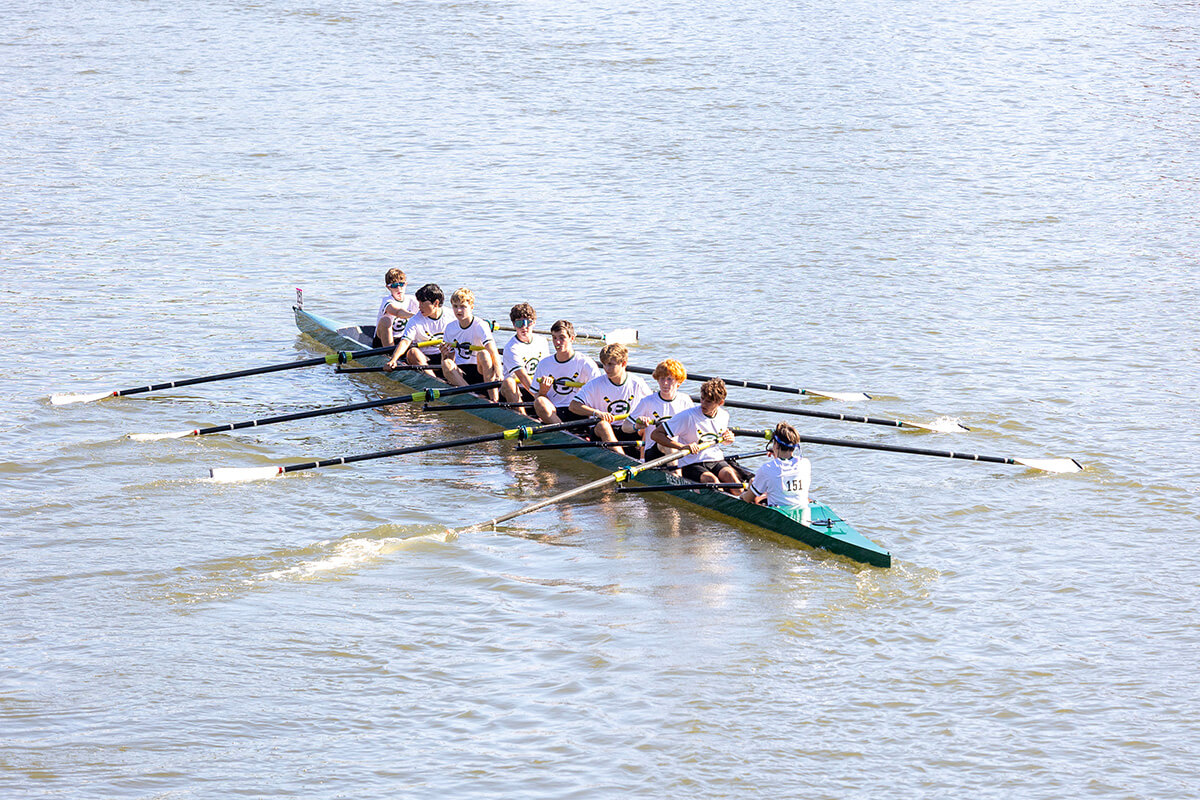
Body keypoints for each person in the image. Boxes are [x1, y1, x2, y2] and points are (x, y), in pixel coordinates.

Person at [651, 377, 739, 491]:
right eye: (702, 399)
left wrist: (728, 439)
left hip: (715, 460)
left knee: (732, 479)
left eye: (708, 401)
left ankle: (743, 504)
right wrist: (682, 447)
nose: (703, 403)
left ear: (720, 402)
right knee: (713, 482)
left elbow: (722, 440)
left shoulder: (724, 415)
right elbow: (656, 434)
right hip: (691, 462)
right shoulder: (687, 416)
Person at [570, 343, 650, 456]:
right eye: (604, 365)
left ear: (624, 364)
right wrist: (596, 413)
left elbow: (652, 407)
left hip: (628, 428)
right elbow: (573, 406)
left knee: (648, 425)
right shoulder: (595, 384)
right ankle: (622, 458)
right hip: (603, 431)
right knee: (603, 425)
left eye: (610, 364)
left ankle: (642, 459)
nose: (606, 369)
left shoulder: (637, 383)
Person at [532, 320, 602, 424]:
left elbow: (598, 394)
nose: (557, 342)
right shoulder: (544, 364)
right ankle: (564, 431)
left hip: (579, 410)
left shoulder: (586, 363)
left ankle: (569, 431)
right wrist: (543, 391)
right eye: (554, 338)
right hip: (554, 411)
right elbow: (537, 396)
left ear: (572, 338)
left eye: (562, 338)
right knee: (539, 401)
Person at [622, 359, 693, 460]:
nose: (665, 383)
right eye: (662, 379)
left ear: (678, 382)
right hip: (653, 451)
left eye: (669, 379)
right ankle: (676, 474)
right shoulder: (647, 401)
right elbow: (625, 427)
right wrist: (637, 425)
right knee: (668, 442)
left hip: (680, 450)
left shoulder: (685, 400)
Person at [741, 422, 811, 523]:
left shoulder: (767, 468)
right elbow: (783, 471)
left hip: (778, 517)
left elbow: (747, 499)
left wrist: (744, 493)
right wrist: (777, 455)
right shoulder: (805, 463)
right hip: (803, 514)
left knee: (753, 483)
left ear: (776, 445)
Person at [440, 288, 502, 401]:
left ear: (471, 307)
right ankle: (471, 395)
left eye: (463, 307)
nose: (458, 310)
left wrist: (499, 373)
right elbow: (449, 358)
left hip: (481, 370)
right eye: (455, 306)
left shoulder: (480, 325)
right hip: (462, 372)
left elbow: (493, 351)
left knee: (484, 353)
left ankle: (494, 400)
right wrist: (444, 354)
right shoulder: (450, 328)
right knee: (446, 363)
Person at [385, 283, 450, 373]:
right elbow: (405, 341)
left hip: (444, 355)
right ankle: (434, 380)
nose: (419, 307)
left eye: (422, 304)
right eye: (419, 303)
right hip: (423, 358)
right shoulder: (415, 320)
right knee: (412, 352)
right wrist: (393, 359)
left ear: (436, 303)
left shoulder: (451, 316)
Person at [500, 302, 551, 413]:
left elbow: (548, 369)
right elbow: (523, 377)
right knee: (509, 382)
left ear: (534, 323)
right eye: (519, 324)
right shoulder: (511, 348)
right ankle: (522, 417)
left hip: (536, 386)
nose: (524, 327)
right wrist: (538, 397)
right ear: (514, 325)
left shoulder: (542, 341)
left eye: (527, 323)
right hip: (517, 389)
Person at [373, 268, 418, 347]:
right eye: (394, 285)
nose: (398, 288)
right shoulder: (387, 301)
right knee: (385, 320)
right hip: (383, 340)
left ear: (406, 284)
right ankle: (390, 354)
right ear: (388, 287)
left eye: (401, 284)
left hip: (403, 338)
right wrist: (415, 316)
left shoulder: (413, 299)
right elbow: (397, 312)